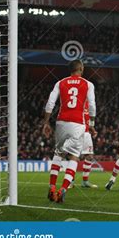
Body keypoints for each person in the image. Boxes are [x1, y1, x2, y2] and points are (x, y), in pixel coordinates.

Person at [43, 60, 96, 203]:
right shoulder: (88, 84)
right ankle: (63, 190)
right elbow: (92, 105)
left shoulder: (60, 82)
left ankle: (52, 187)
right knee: (74, 157)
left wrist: (46, 122)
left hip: (61, 121)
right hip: (78, 123)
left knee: (58, 153)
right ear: (81, 68)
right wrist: (91, 124)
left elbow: (50, 103)